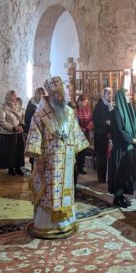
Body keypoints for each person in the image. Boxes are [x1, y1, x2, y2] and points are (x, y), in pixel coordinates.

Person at [25, 76, 89, 238]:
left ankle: (65, 223)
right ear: (50, 95)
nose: (59, 98)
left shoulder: (69, 112)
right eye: (56, 95)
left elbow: (75, 134)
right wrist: (38, 160)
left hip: (66, 162)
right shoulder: (40, 115)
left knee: (65, 191)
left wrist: (74, 154)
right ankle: (46, 225)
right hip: (49, 162)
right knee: (50, 192)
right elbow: (34, 138)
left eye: (61, 94)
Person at [110, 88, 136, 208]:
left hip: (128, 147)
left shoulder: (128, 109)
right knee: (120, 173)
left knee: (126, 173)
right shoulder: (116, 112)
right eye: (126, 95)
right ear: (121, 98)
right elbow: (119, 130)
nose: (129, 97)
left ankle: (121, 195)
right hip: (120, 147)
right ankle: (117, 197)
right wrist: (131, 139)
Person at [0, 90, 25, 175]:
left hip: (19, 133)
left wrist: (21, 125)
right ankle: (10, 168)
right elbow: (1, 120)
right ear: (9, 96)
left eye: (15, 95)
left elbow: (23, 116)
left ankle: (18, 167)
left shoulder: (18, 106)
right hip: (8, 134)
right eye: (13, 95)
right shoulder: (2, 107)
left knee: (19, 151)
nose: (15, 97)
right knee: (9, 152)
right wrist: (12, 128)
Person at [92, 87, 113, 183]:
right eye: (108, 94)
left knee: (109, 156)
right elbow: (95, 120)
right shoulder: (99, 106)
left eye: (111, 94)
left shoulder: (111, 106)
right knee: (101, 157)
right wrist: (105, 122)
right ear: (103, 95)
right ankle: (101, 177)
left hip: (110, 135)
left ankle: (108, 176)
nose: (110, 96)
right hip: (100, 136)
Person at [24, 87, 46, 168]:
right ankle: (33, 170)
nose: (41, 95)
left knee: (42, 152)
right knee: (34, 151)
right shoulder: (31, 104)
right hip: (34, 132)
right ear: (35, 94)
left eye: (42, 93)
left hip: (43, 132)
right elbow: (27, 119)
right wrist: (27, 132)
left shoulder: (45, 104)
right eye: (39, 93)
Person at [75, 95, 93, 175]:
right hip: (77, 133)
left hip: (86, 132)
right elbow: (74, 121)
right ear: (79, 101)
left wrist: (87, 127)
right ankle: (75, 168)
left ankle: (80, 168)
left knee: (83, 151)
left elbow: (91, 120)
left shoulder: (87, 109)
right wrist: (81, 128)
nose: (85, 104)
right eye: (84, 102)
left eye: (86, 102)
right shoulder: (75, 109)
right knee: (77, 152)